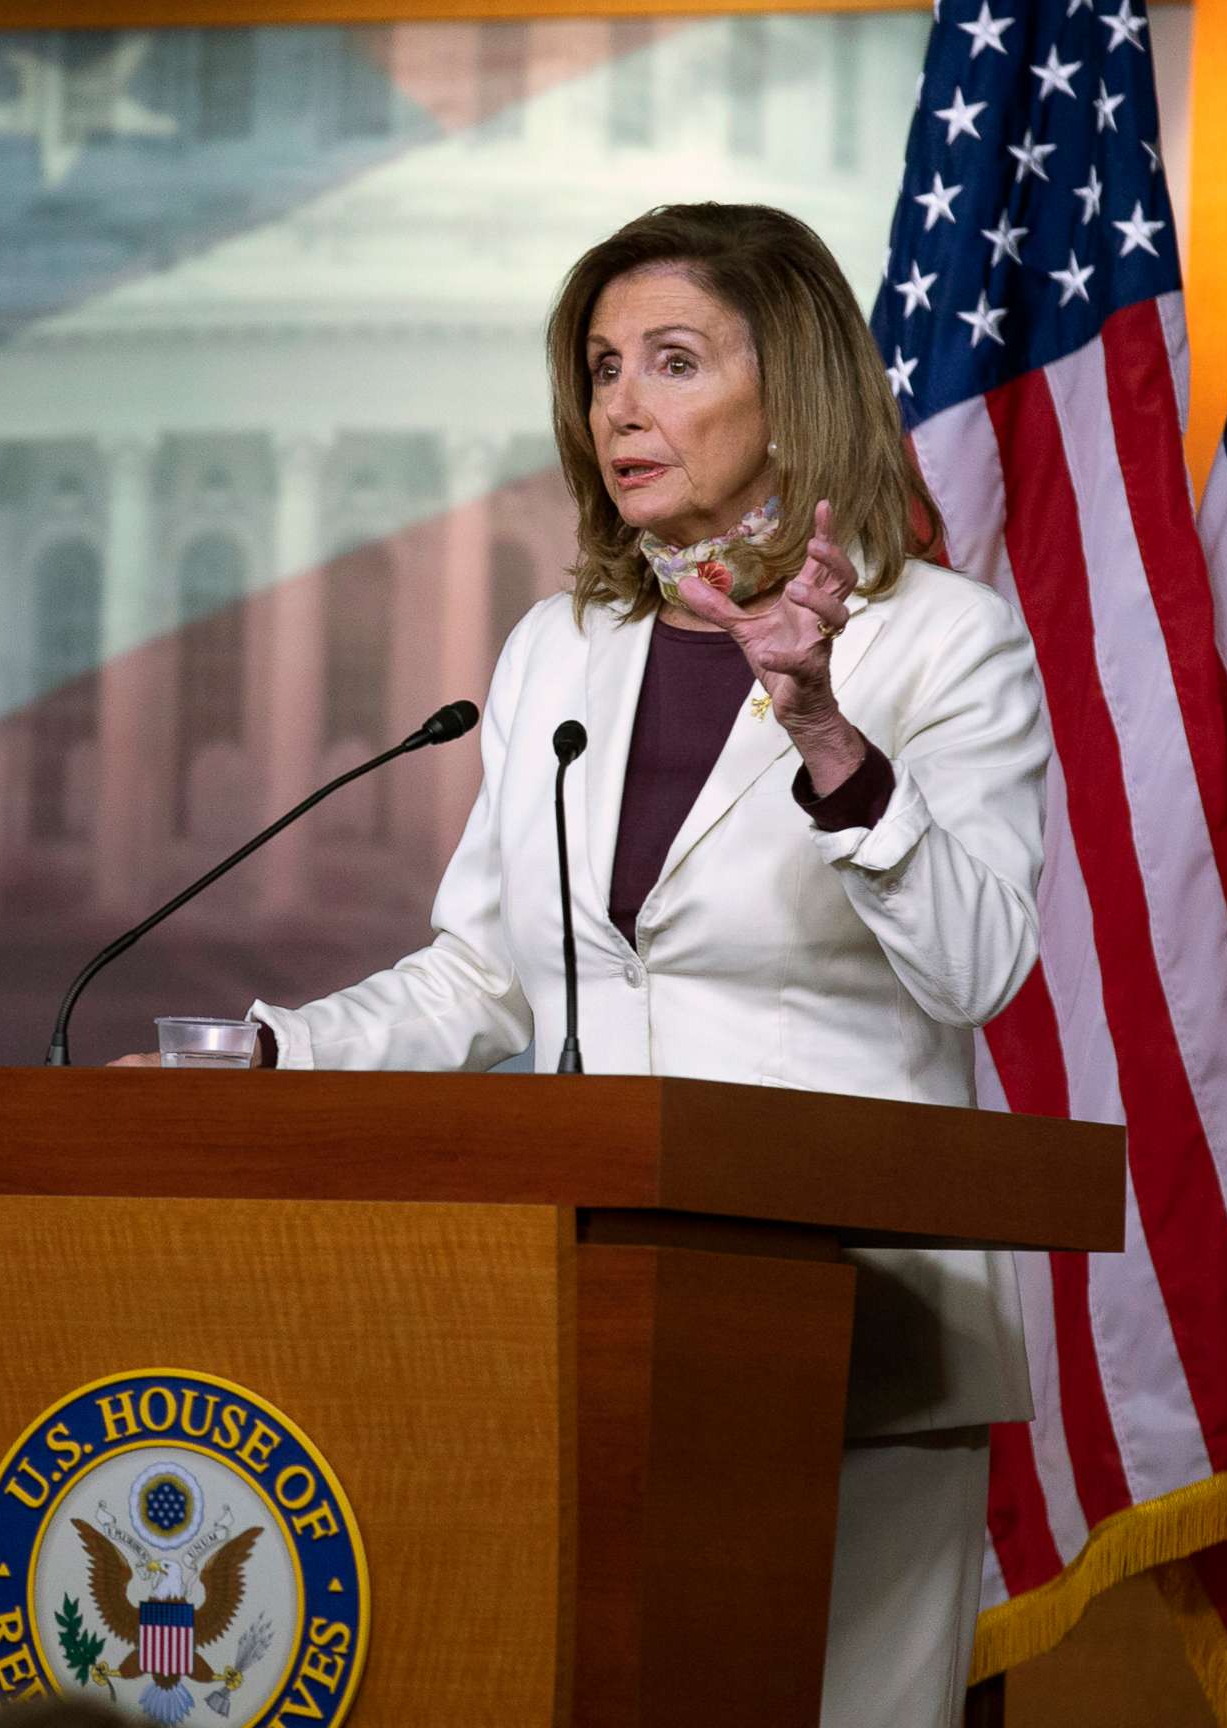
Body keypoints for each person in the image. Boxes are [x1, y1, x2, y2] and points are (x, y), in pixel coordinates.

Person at [134, 203, 1048, 1727]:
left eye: (673, 361)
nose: (621, 402)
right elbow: (488, 978)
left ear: (796, 385)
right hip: (598, 1316)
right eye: (603, 365)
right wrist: (272, 1055)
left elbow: (979, 967)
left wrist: (827, 735)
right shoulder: (560, 647)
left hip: (856, 1339)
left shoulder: (939, 645)